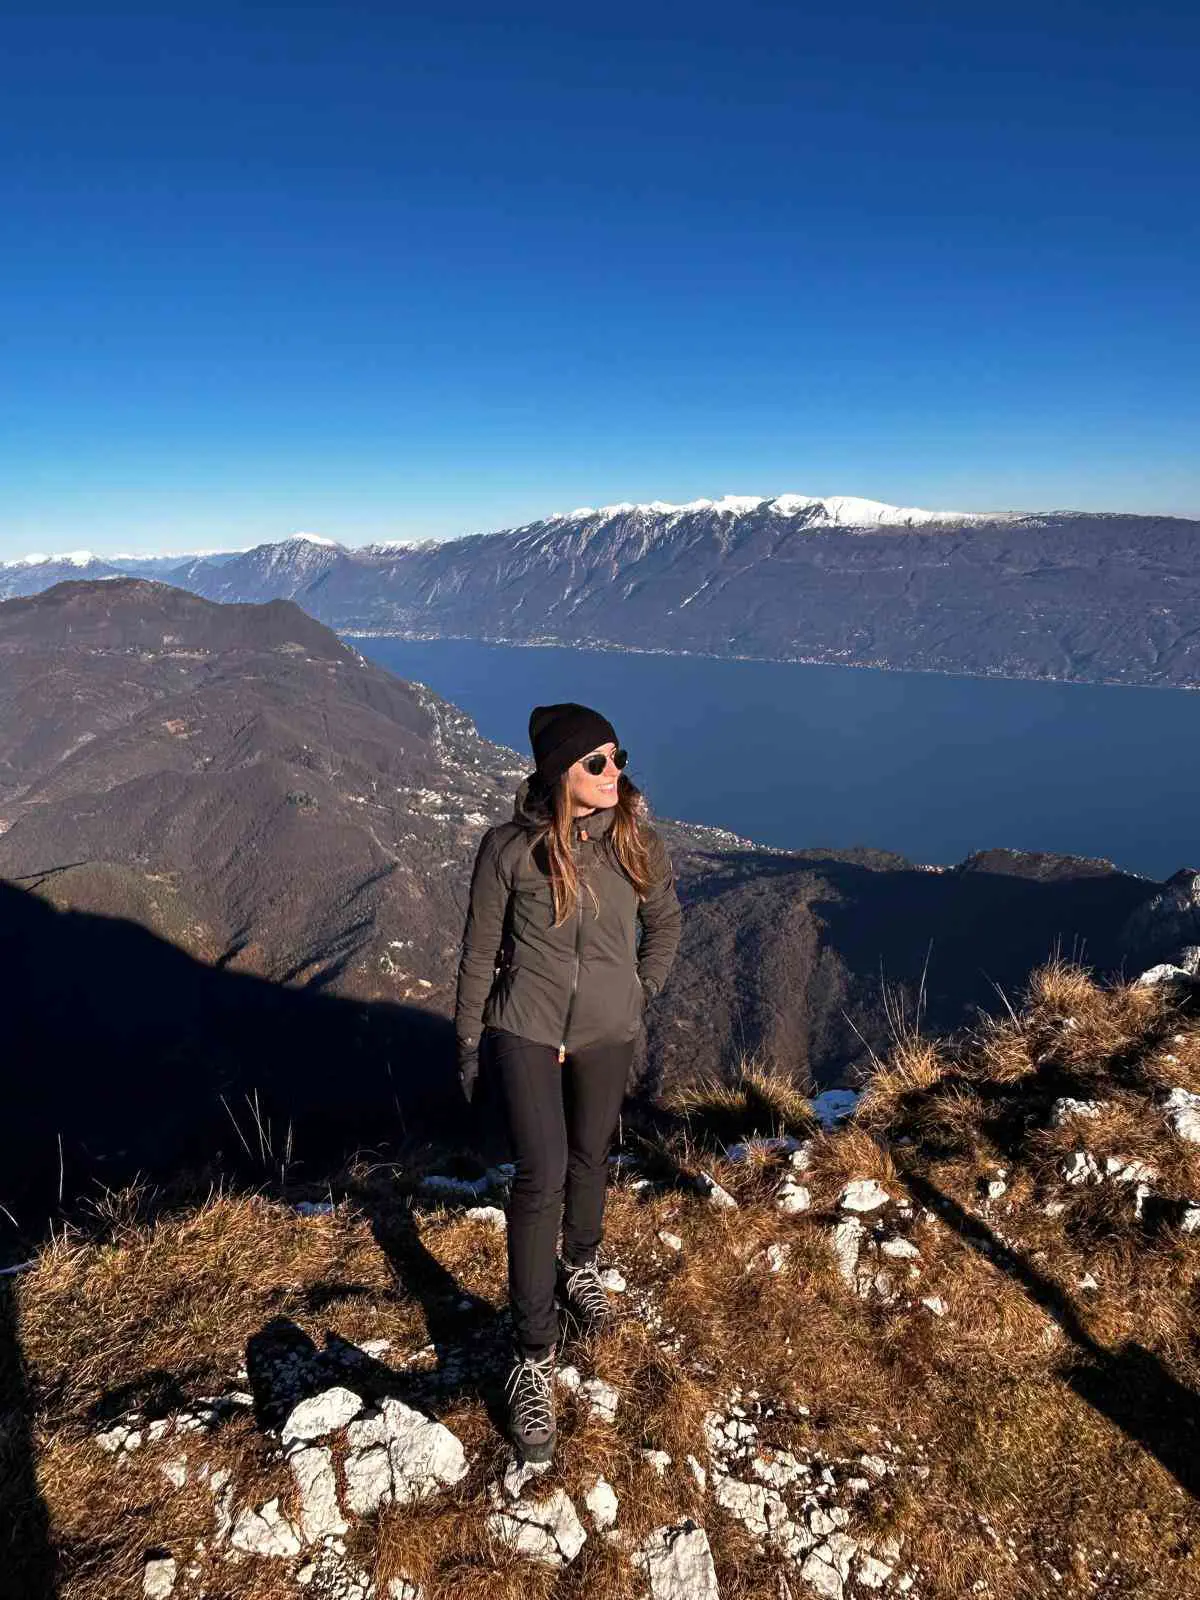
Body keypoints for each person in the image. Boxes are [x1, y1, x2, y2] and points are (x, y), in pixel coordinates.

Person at [454, 702, 682, 1462]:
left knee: (590, 1154)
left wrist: (638, 993)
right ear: (560, 774)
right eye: (596, 762)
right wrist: (468, 1041)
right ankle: (532, 1354)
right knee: (540, 1173)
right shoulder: (509, 848)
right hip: (526, 1025)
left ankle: (580, 1264)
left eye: (617, 757)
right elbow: (479, 950)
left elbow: (667, 923)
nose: (614, 772)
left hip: (607, 1031)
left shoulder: (636, 842)